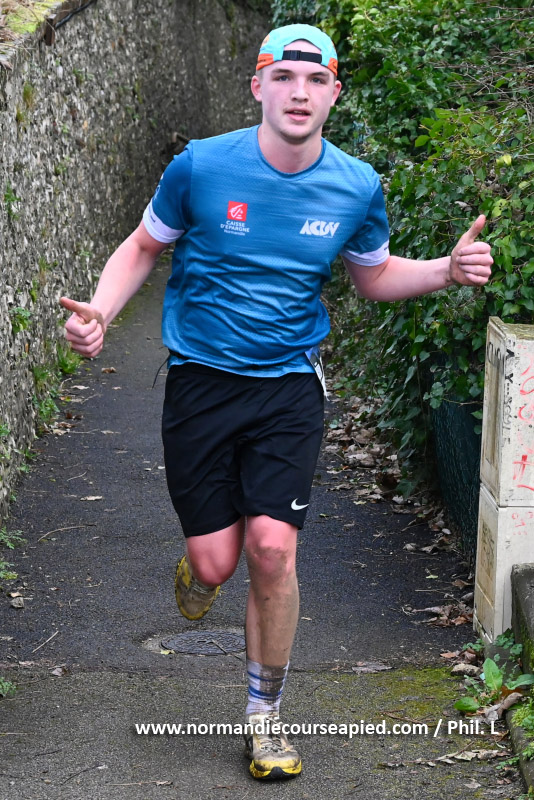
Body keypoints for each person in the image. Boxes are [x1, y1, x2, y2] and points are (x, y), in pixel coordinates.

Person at [60, 23, 493, 781]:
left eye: (316, 80)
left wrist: (445, 271)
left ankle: (265, 721)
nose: (299, 93)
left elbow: (372, 275)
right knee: (217, 561)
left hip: (289, 388)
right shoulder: (201, 167)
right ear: (258, 85)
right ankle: (201, 571)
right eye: (284, 78)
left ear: (334, 94)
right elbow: (142, 247)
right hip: (200, 383)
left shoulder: (355, 185)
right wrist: (99, 311)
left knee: (272, 549)